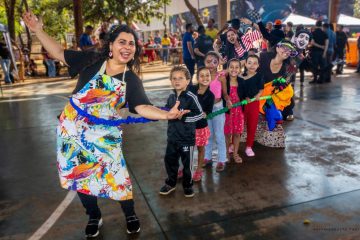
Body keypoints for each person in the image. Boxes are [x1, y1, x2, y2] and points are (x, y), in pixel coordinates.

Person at [23, 11, 188, 238]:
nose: (128, 46)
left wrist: (166, 114)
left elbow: (141, 107)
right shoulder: (91, 60)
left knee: (118, 178)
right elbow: (60, 53)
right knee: (80, 178)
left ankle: (129, 214)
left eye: (132, 44)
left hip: (104, 136)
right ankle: (93, 215)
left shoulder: (130, 80)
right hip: (72, 131)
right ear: (111, 45)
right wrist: (38, 30)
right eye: (122, 41)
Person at [159, 66, 203, 197]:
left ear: (187, 81)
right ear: (171, 81)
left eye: (180, 78)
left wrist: (184, 116)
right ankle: (171, 183)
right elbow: (167, 112)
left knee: (187, 164)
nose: (177, 81)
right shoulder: (171, 97)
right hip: (172, 137)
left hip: (186, 138)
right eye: (174, 78)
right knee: (170, 161)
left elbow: (200, 114)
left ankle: (188, 185)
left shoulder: (191, 97)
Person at [188, 67, 214, 182]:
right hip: (188, 126)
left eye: (207, 75)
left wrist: (205, 114)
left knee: (200, 148)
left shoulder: (211, 95)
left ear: (210, 77)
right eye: (201, 75)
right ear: (197, 78)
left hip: (201, 126)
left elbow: (209, 111)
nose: (205, 78)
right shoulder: (190, 89)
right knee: (187, 148)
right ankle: (185, 168)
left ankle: (198, 170)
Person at [203, 51, 228, 171]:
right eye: (208, 61)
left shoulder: (221, 77)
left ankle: (221, 160)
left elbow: (224, 93)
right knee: (208, 135)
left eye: (214, 61)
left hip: (218, 108)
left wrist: (228, 100)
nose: (211, 64)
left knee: (219, 135)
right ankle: (207, 157)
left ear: (218, 63)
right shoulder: (202, 77)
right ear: (204, 62)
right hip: (206, 110)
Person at [238, 55, 263, 156]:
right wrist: (244, 98)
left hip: (254, 104)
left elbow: (261, 89)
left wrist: (257, 96)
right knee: (239, 125)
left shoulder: (259, 76)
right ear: (245, 64)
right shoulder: (241, 76)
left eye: (255, 63)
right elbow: (239, 91)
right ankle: (233, 144)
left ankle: (249, 147)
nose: (252, 65)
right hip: (241, 104)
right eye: (249, 62)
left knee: (252, 125)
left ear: (258, 65)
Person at [223, 59, 244, 163]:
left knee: (237, 134)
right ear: (228, 68)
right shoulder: (224, 81)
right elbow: (222, 94)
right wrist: (227, 101)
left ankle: (235, 153)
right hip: (227, 113)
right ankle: (226, 154)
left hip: (238, 112)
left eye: (237, 67)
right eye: (231, 67)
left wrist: (247, 98)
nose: (234, 69)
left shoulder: (242, 82)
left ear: (240, 69)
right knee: (227, 134)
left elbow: (245, 95)